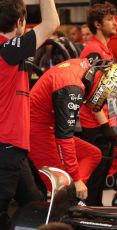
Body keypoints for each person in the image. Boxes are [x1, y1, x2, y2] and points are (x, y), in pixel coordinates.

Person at [29, 59, 117, 203]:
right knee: (60, 190)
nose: (106, 102)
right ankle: (67, 198)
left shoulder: (91, 69)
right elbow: (64, 138)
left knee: (93, 154)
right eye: (110, 98)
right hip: (35, 129)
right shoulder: (72, 89)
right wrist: (76, 179)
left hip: (47, 124)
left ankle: (73, 194)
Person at [0, 0, 59, 227]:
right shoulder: (9, 50)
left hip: (14, 147)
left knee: (35, 204)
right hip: (7, 144)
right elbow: (52, 22)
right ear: (19, 22)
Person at [78, 1, 117, 206]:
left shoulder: (105, 51)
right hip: (95, 126)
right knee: (95, 178)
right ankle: (90, 215)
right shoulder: (93, 51)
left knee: (102, 176)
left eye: (115, 18)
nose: (115, 22)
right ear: (97, 24)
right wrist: (105, 126)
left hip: (104, 121)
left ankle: (97, 210)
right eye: (110, 19)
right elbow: (91, 95)